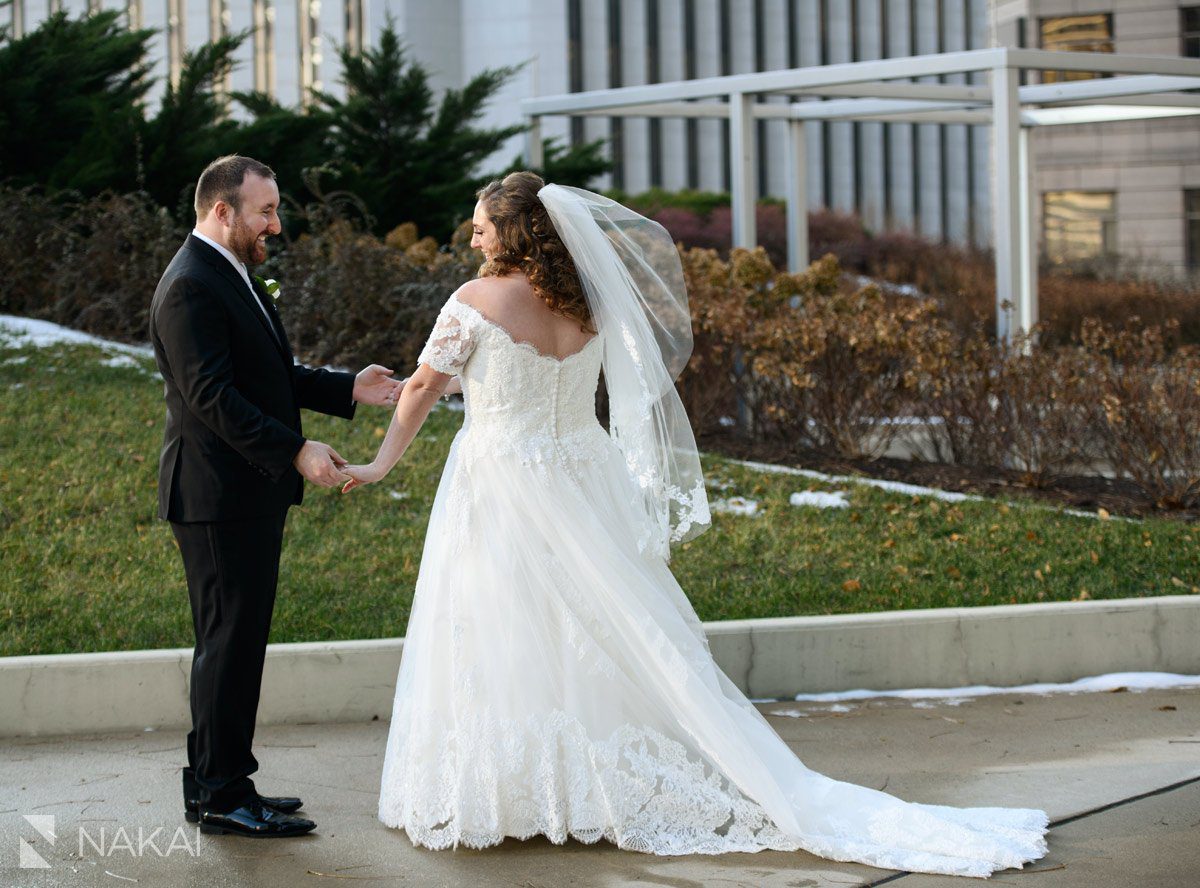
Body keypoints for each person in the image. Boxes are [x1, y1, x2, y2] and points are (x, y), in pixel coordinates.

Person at [340, 172, 1049, 877]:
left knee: (502, 621)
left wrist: (377, 465)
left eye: (483, 223)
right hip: (583, 476)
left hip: (501, 478)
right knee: (600, 625)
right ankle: (580, 784)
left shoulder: (474, 299)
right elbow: (530, 376)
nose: (474, 232)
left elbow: (428, 387)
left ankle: (521, 794)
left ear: (515, 230)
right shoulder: (585, 301)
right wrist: (467, 381)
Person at [149, 155, 402, 838]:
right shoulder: (190, 286)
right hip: (217, 495)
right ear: (222, 210)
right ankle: (224, 794)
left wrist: (347, 387)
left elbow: (267, 372)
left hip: (239, 492)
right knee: (229, 644)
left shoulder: (225, 272)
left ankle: (215, 782)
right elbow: (212, 399)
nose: (277, 223)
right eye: (266, 211)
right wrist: (295, 449)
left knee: (233, 641)